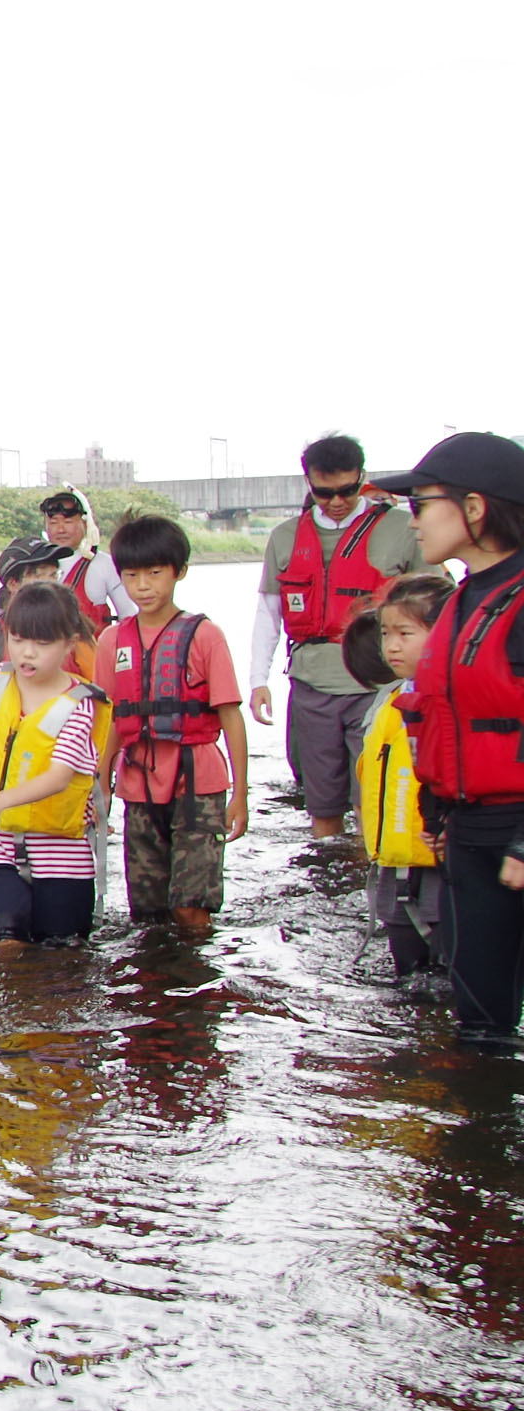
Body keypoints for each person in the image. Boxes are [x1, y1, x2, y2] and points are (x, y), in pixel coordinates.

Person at [370, 432, 524, 1046]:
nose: (412, 523)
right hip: (468, 830)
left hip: (516, 827)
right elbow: (440, 714)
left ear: (476, 508)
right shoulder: (460, 601)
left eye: (422, 504)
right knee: (478, 1023)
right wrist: (437, 809)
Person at [246, 435, 423, 843]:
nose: (337, 501)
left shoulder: (403, 529)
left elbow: (436, 606)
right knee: (322, 808)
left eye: (347, 490)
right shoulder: (285, 537)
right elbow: (268, 614)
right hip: (311, 686)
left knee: (375, 804)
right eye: (324, 493)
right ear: (308, 483)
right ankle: (327, 877)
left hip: (379, 687)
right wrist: (259, 681)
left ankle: (367, 895)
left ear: (363, 478)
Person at [98, 514, 248, 937]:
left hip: (197, 782)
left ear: (179, 572)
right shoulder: (113, 640)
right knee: (147, 914)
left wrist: (241, 794)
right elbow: (113, 716)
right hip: (138, 782)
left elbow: (230, 716)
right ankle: (154, 994)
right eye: (131, 575)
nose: (143, 586)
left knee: (190, 910)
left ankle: (196, 988)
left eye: (155, 573)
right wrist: (102, 782)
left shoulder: (205, 635)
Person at [0, 581, 108, 951]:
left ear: (69, 642)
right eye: (18, 640)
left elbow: (58, 777)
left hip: (61, 855)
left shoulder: (78, 704)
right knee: (6, 948)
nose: (27, 653)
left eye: (42, 643)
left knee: (63, 958)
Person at [342, 577, 455, 988]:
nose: (391, 646)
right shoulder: (387, 703)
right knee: (408, 981)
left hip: (443, 866)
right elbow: (366, 784)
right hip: (394, 868)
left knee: (452, 978)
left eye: (405, 634)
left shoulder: (457, 699)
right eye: (386, 634)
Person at [0, 537, 92, 725]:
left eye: (53, 575)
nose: (49, 584)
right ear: (13, 584)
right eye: (38, 576)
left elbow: (104, 690)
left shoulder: (72, 631)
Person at [38, 488, 136, 635]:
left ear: (85, 525)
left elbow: (129, 615)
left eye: (68, 521)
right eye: (53, 522)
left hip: (94, 655)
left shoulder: (103, 564)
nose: (60, 529)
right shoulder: (34, 565)